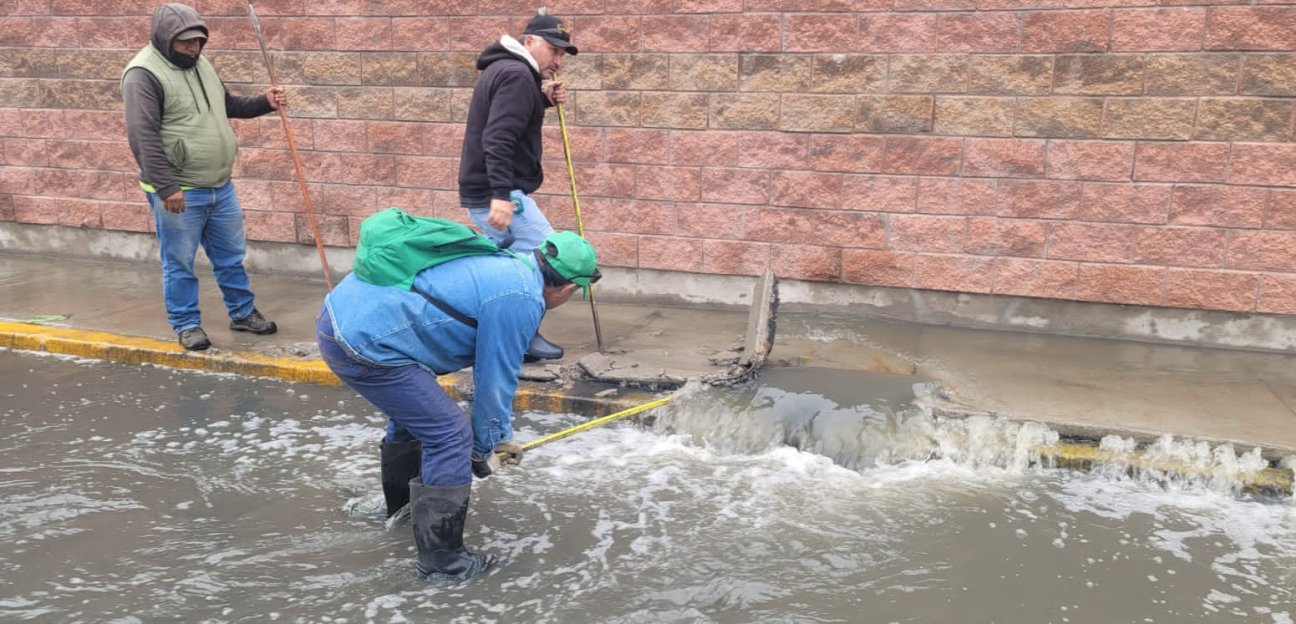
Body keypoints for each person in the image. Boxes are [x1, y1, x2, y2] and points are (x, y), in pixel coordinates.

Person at [317, 224, 600, 580]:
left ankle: (401, 511)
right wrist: (485, 447)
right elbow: (494, 381)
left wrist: (491, 441)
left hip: (339, 318)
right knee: (450, 435)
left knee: (419, 418)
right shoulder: (523, 297)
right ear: (568, 288)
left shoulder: (507, 261)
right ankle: (443, 564)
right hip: (363, 343)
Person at [122, 3, 284, 351]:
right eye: (185, 43)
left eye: (198, 42)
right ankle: (186, 323)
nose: (194, 49)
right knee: (180, 261)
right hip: (179, 189)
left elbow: (226, 105)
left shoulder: (200, 64)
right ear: (166, 39)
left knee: (230, 256)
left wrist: (264, 103)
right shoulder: (142, 74)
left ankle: (242, 313)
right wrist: (166, 186)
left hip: (219, 184)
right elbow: (142, 135)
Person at [458, 10, 579, 362]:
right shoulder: (516, 75)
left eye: (562, 54)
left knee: (517, 266)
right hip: (499, 193)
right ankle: (521, 338)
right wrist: (500, 196)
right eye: (553, 51)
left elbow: (504, 119)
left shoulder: (508, 70)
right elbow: (498, 139)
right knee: (553, 260)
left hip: (491, 191)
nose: (558, 61)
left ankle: (512, 336)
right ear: (529, 42)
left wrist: (540, 99)